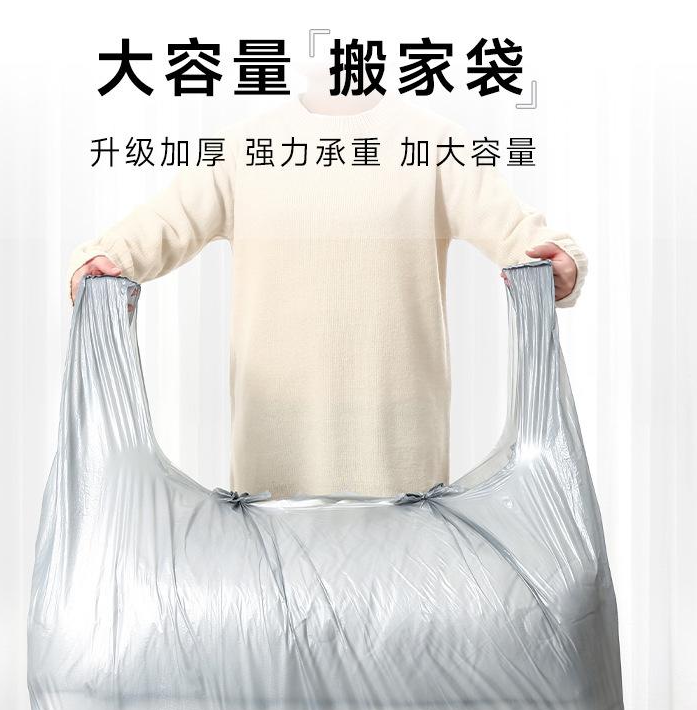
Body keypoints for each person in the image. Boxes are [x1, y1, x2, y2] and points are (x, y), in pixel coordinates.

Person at [67, 79, 587, 500]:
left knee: (398, 591)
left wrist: (557, 260)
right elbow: (159, 227)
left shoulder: (432, 143)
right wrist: (105, 261)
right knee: (278, 592)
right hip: (275, 450)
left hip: (398, 450)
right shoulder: (245, 147)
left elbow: (517, 232)